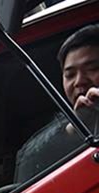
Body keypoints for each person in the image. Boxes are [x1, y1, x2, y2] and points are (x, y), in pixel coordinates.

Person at [15, 24, 99, 182]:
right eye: (70, 74)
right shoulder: (50, 139)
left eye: (93, 68)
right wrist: (75, 128)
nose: (79, 81)